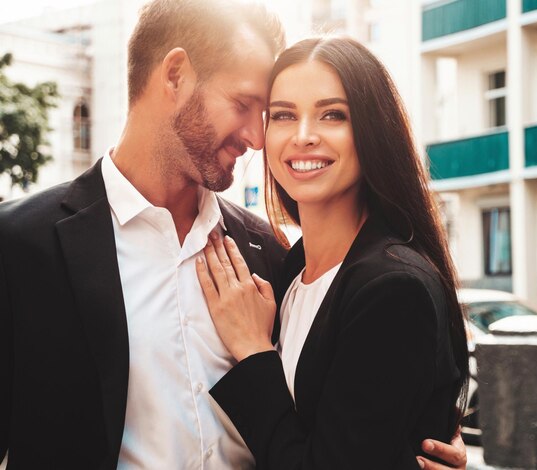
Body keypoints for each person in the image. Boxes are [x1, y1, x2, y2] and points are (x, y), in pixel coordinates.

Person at [0, 0, 466, 468]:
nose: (258, 138)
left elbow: (338, 417)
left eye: (266, 113)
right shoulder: (21, 246)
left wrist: (412, 445)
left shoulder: (270, 254)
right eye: (247, 105)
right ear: (176, 74)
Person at [196, 36, 470, 470]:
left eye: (332, 114)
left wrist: (252, 351)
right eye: (284, 114)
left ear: (372, 130)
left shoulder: (394, 288)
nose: (303, 136)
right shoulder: (289, 269)